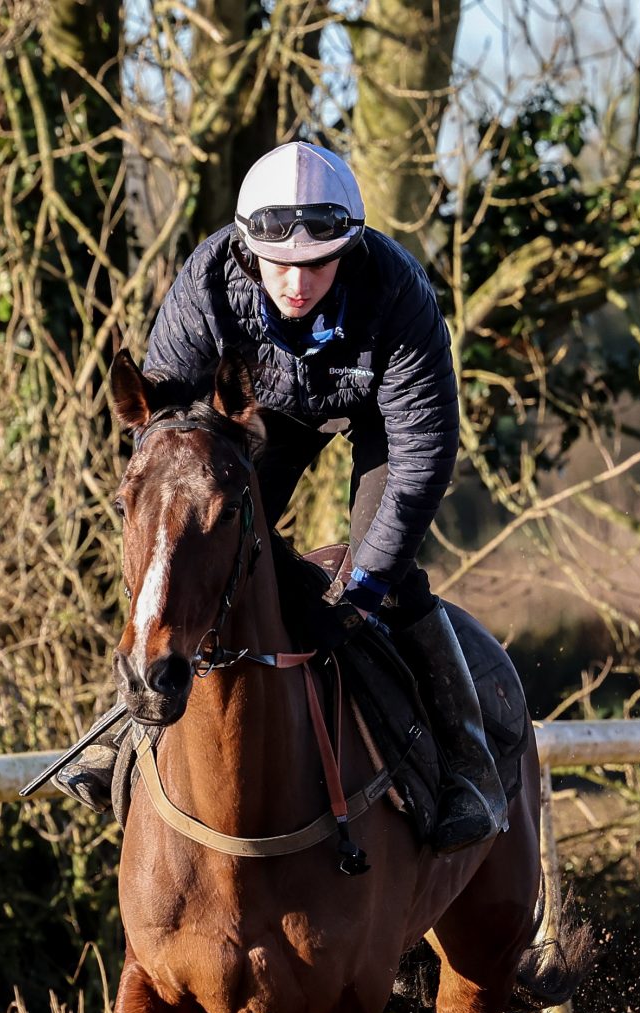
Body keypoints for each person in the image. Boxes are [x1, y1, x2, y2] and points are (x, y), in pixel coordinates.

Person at [56, 142, 504, 848]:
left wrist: (356, 593)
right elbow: (169, 429)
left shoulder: (397, 292)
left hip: (384, 426)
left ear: (348, 250)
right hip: (265, 419)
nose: (296, 282)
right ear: (246, 251)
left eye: (318, 264)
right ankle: (127, 722)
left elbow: (420, 461)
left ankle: (466, 761)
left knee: (387, 582)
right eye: (279, 266)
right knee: (200, 544)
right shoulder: (205, 280)